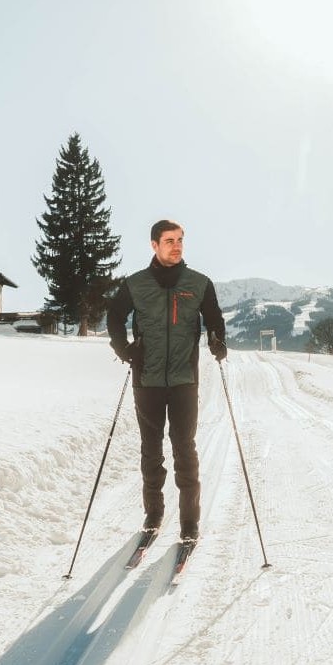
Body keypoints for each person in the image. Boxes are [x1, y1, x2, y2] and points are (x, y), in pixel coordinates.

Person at [107, 219, 227, 542]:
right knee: (151, 449)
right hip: (146, 379)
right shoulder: (136, 284)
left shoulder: (199, 283)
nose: (176, 246)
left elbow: (214, 318)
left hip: (184, 379)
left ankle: (190, 521)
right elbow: (114, 316)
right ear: (154, 245)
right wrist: (124, 349)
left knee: (184, 448)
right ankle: (154, 512)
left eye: (180, 240)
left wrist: (217, 340)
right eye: (169, 241)